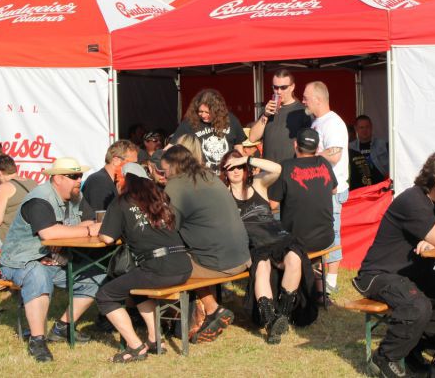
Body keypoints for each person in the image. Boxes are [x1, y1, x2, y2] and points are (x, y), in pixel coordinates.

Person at [353, 150, 435, 378]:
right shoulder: (412, 200)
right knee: (417, 307)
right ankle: (385, 358)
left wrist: (434, 239)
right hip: (380, 275)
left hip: (413, 274)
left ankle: (413, 348)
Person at [0, 157, 104, 363]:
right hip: (20, 260)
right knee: (37, 274)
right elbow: (49, 233)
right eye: (74, 176)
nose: (79, 180)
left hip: (55, 259)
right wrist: (80, 231)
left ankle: (62, 327)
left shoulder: (76, 195)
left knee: (96, 275)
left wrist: (65, 233)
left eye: (80, 175)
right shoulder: (40, 199)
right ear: (57, 178)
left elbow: (90, 220)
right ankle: (37, 340)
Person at [96, 163, 192, 362]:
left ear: (124, 181)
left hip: (158, 269)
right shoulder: (161, 199)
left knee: (105, 295)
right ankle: (156, 340)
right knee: (136, 286)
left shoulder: (121, 202)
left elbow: (107, 238)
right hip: (183, 266)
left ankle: (135, 347)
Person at [221, 149, 318, 343]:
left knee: (294, 258)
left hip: (277, 235)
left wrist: (246, 158)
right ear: (224, 171)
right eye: (231, 167)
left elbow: (277, 169)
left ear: (246, 168)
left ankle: (282, 315)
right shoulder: (223, 194)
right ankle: (269, 320)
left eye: (240, 166)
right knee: (262, 266)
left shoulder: (258, 184)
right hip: (252, 241)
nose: (236, 170)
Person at [161, 145, 250, 343]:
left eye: (164, 170)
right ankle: (205, 310)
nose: (163, 175)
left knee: (171, 263)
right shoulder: (209, 176)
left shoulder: (175, 186)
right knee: (191, 255)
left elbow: (169, 228)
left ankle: (212, 309)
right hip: (243, 257)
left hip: (221, 264)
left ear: (174, 167)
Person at [303, 81, 349, 291]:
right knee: (321, 231)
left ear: (318, 99)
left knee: (332, 232)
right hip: (320, 190)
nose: (303, 101)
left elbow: (335, 154)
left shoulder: (333, 123)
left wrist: (308, 156)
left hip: (332, 189)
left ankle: (331, 280)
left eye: (306, 97)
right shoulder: (317, 122)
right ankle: (320, 277)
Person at [268, 128, 337, 255]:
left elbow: (272, 204)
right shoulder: (324, 163)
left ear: (295, 145)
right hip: (326, 239)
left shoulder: (286, 167)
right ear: (317, 148)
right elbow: (334, 190)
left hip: (296, 242)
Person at [169, 88, 246, 172]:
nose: (203, 115)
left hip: (226, 173)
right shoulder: (189, 122)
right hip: (200, 173)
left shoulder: (231, 121)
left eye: (207, 112)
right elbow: (172, 146)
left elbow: (238, 148)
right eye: (200, 111)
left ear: (217, 111)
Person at [248, 69, 311, 163]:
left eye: (283, 87)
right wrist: (265, 115)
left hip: (289, 168)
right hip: (268, 169)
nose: (278, 91)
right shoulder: (268, 109)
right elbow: (252, 138)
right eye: (275, 87)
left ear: (292, 87)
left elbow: (308, 148)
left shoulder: (302, 111)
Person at [82, 140, 139, 211]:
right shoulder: (99, 181)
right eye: (133, 164)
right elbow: (102, 216)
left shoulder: (112, 181)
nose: (136, 168)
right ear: (116, 161)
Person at [349, 115, 389, 182]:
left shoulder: (383, 145)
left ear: (371, 127)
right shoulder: (350, 147)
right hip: (358, 186)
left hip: (379, 185)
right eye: (361, 127)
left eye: (367, 127)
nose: (364, 130)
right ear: (356, 129)